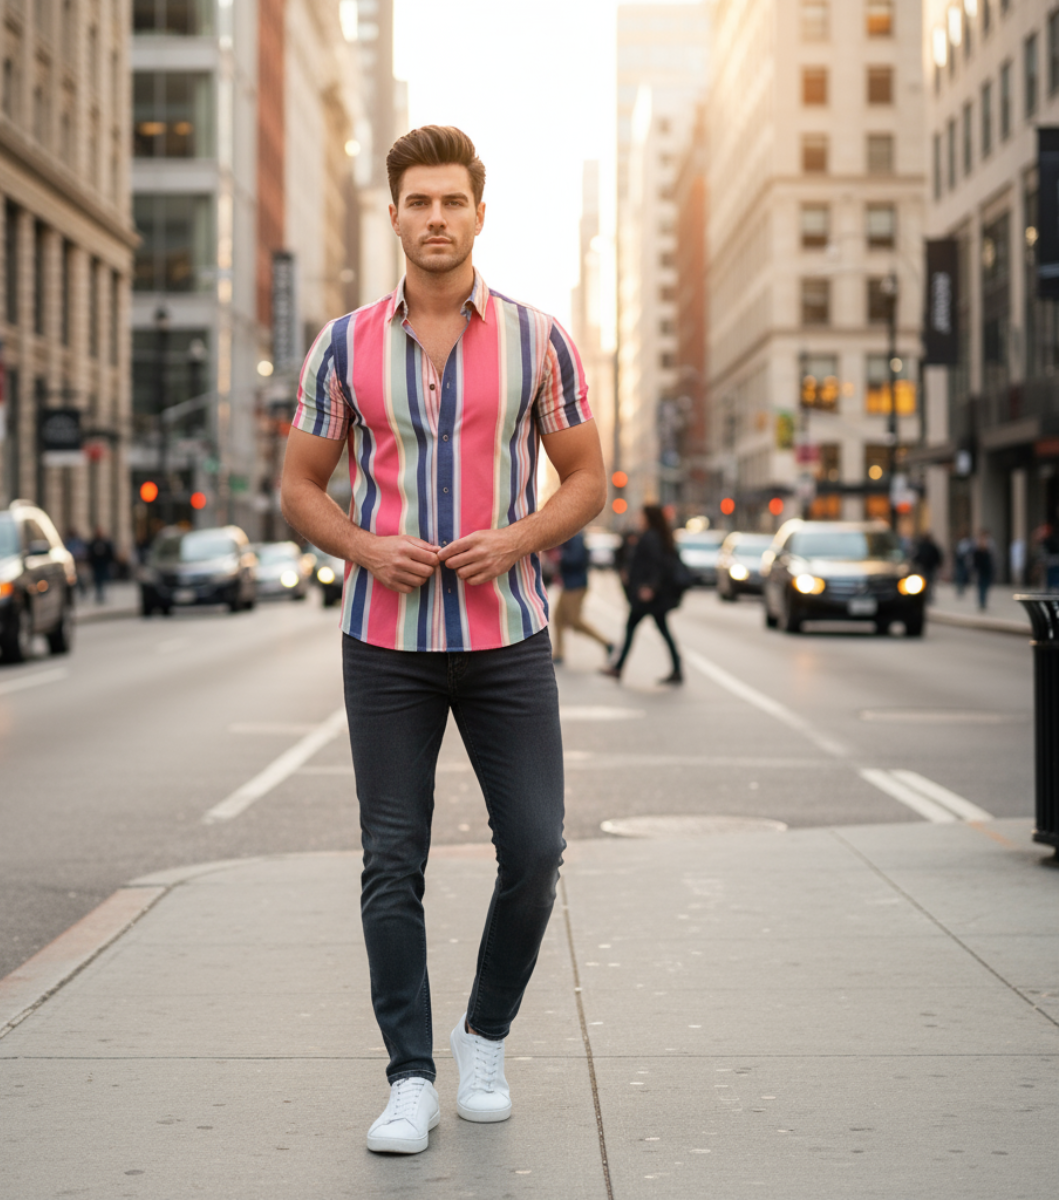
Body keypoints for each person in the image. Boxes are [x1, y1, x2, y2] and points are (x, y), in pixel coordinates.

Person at [279, 126, 606, 1156]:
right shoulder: (341, 345)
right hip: (385, 642)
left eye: (450, 202)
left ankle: (484, 1037)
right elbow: (299, 485)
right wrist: (366, 547)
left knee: (537, 848)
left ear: (477, 213)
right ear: (394, 215)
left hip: (506, 636)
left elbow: (590, 479)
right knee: (392, 860)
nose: (434, 219)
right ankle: (410, 1075)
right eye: (416, 202)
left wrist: (517, 537)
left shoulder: (538, 338)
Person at [601, 505, 687, 684]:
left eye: (641, 516)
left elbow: (656, 565)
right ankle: (677, 669)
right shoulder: (655, 536)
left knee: (632, 628)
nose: (639, 519)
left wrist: (650, 587)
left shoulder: (651, 537)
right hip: (651, 596)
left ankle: (618, 668)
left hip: (648, 597)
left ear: (649, 518)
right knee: (661, 631)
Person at [551, 531, 613, 665]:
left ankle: (607, 643)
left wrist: (560, 557)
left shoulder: (576, 536)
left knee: (575, 620)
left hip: (576, 585)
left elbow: (576, 559)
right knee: (558, 618)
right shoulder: (568, 535)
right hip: (568, 584)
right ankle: (558, 653)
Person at [87, 528, 117, 604]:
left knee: (103, 580)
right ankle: (99, 594)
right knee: (97, 580)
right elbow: (89, 554)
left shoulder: (105, 542)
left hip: (103, 564)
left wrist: (110, 562)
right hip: (96, 565)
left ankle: (101, 594)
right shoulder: (93, 543)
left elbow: (110, 553)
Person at [913, 530, 943, 597]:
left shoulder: (922, 546)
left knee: (926, 582)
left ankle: (927, 595)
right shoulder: (930, 546)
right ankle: (927, 595)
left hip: (925, 567)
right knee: (929, 582)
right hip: (928, 567)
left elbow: (916, 556)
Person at [972, 529, 995, 611]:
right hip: (981, 571)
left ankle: (983, 601)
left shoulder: (988, 549)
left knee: (985, 586)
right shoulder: (977, 550)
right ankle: (982, 602)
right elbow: (975, 562)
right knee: (981, 587)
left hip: (986, 570)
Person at [953, 532, 973, 597]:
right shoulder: (965, 543)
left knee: (961, 576)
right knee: (960, 576)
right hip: (961, 561)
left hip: (962, 561)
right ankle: (960, 589)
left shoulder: (965, 543)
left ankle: (960, 589)